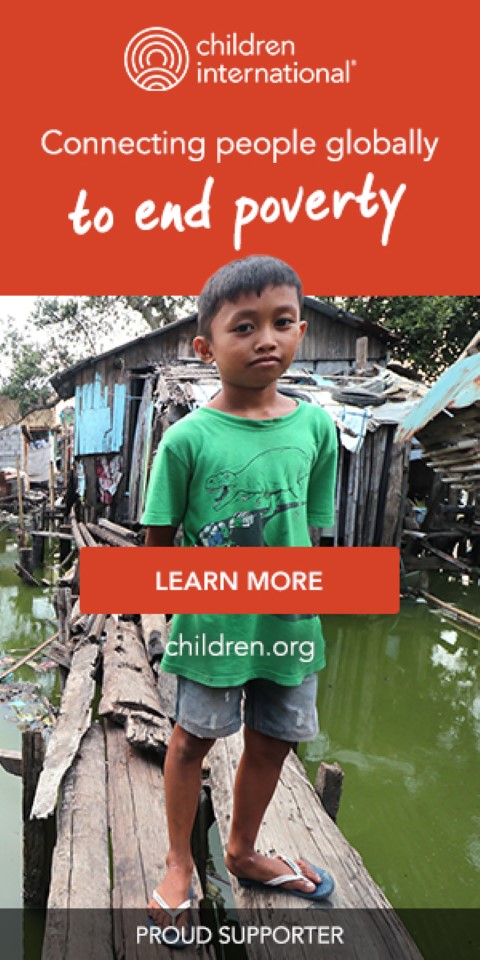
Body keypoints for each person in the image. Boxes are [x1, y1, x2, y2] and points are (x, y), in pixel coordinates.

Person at [142, 255, 338, 937]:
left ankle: (244, 849)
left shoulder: (316, 429)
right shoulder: (187, 439)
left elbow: (312, 530)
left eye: (282, 322)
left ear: (302, 330)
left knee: (274, 739)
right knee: (191, 740)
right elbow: (156, 544)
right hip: (211, 623)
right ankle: (176, 862)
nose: (266, 339)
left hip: (289, 621)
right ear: (206, 347)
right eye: (244, 326)